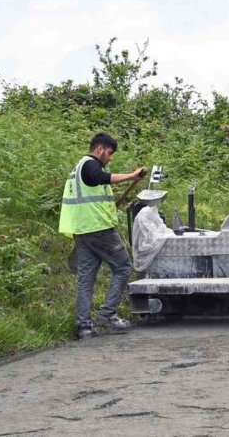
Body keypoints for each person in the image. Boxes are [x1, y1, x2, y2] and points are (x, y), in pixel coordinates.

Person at [59, 132, 147, 339]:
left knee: (86, 279)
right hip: (99, 230)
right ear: (99, 149)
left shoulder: (78, 169)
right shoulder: (90, 165)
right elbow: (100, 177)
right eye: (109, 153)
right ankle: (107, 315)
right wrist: (131, 176)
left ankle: (84, 328)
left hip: (82, 231)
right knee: (123, 266)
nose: (110, 157)